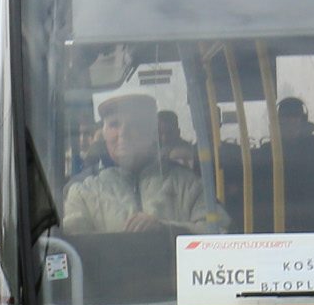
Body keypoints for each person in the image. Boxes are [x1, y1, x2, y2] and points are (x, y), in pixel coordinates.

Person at [63, 91, 230, 235]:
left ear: (152, 133)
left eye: (134, 125)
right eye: (114, 125)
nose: (123, 133)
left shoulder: (189, 185)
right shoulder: (82, 190)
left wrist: (166, 229)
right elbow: (73, 245)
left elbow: (220, 233)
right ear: (104, 133)